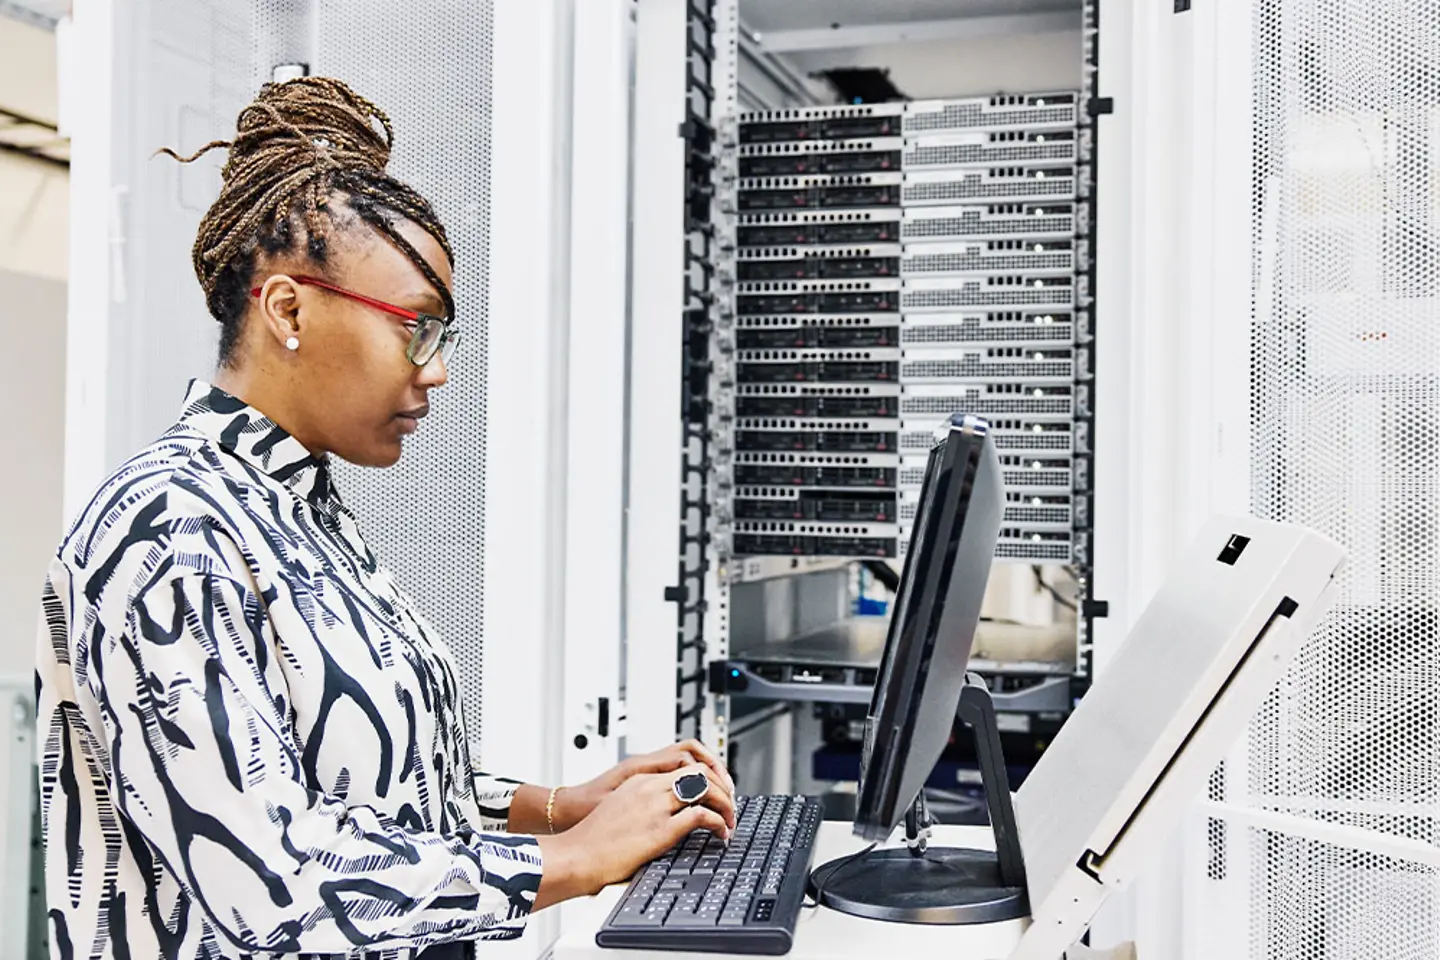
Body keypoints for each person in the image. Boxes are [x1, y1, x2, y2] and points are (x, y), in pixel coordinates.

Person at [35, 77, 735, 960]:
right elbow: (268, 886)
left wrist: (558, 804)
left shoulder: (296, 508)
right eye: (418, 329)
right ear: (287, 308)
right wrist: (569, 857)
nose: (435, 371)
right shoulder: (169, 531)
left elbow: (358, 782)